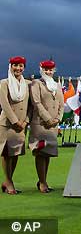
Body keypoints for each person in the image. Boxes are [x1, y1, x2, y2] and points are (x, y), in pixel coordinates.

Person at [28, 60, 63, 193]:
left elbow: (61, 103)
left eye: (51, 69)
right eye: (46, 69)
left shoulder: (57, 84)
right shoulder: (36, 83)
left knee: (48, 154)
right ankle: (42, 182)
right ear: (41, 70)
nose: (48, 72)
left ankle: (44, 180)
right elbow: (36, 103)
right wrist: (48, 119)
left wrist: (58, 119)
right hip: (41, 124)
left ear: (54, 70)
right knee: (40, 153)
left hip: (53, 125)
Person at [0, 56, 30, 195]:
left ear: (24, 68)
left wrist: (25, 122)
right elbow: (5, 105)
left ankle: (7, 182)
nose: (18, 68)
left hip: (22, 125)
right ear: (10, 66)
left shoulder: (28, 84)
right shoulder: (4, 83)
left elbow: (31, 106)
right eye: (15, 65)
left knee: (16, 153)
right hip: (7, 124)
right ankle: (9, 181)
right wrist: (15, 121)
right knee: (7, 154)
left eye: (21, 66)